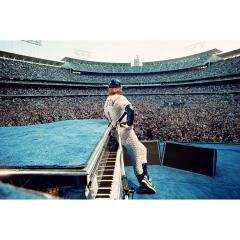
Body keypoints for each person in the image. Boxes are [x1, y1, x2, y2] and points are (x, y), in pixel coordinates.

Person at [104, 79, 156, 194]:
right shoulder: (120, 97)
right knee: (137, 155)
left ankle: (145, 176)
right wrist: (129, 124)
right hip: (124, 132)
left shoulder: (107, 100)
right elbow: (130, 109)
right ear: (118, 88)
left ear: (109, 88)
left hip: (116, 131)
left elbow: (107, 116)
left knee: (143, 149)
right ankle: (143, 183)